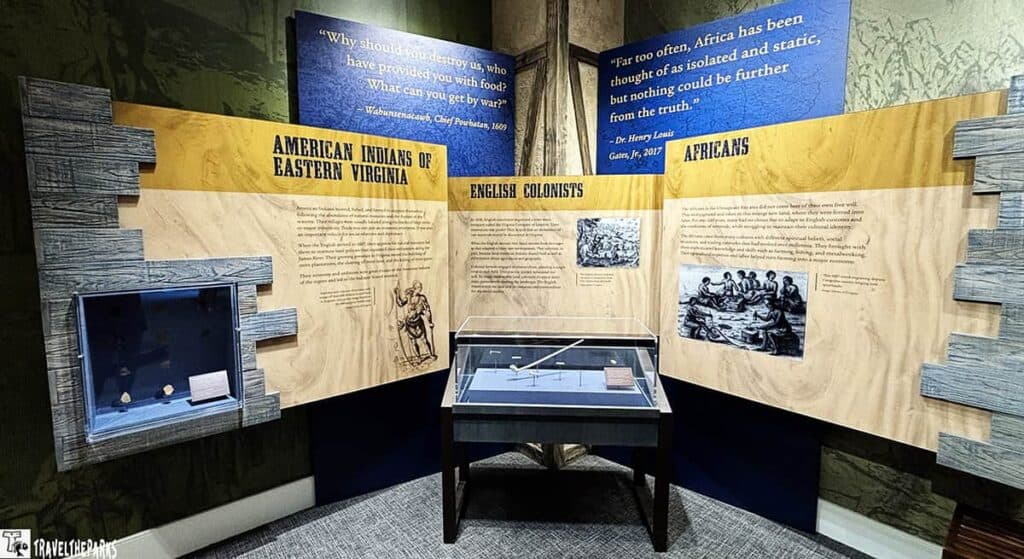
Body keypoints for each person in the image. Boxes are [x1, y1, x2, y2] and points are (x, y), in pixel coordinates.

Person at [394, 280, 435, 361]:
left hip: (419, 322)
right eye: (418, 287)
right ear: (414, 288)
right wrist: (397, 294)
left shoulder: (422, 298)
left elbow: (427, 310)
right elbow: (400, 303)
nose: (420, 289)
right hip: (409, 323)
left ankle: (430, 354)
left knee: (424, 339)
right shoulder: (408, 297)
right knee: (413, 341)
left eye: (421, 287)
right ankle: (418, 357)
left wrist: (430, 322)